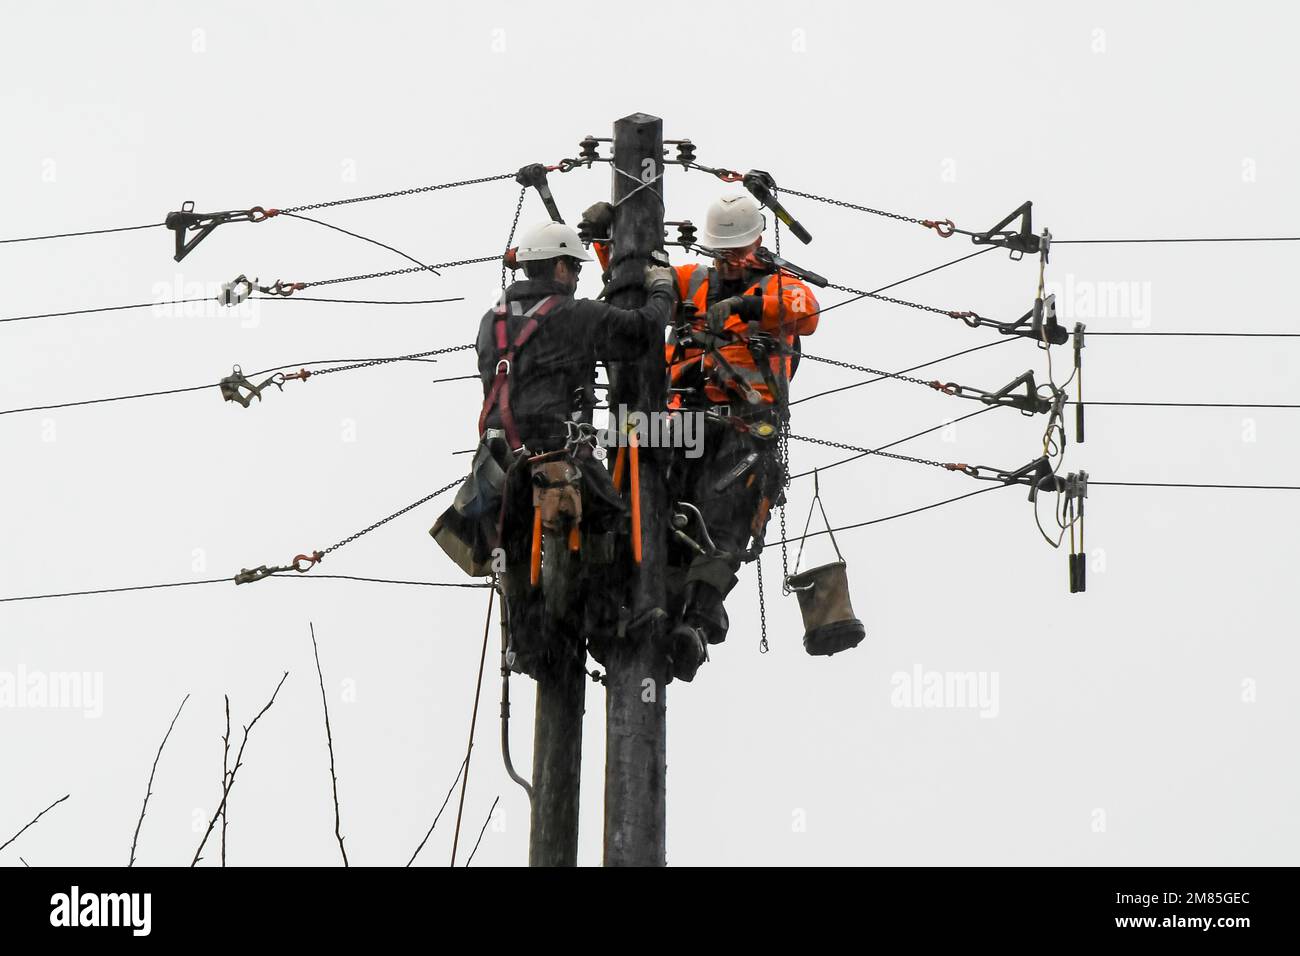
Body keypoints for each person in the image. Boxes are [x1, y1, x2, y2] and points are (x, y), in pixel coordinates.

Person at [431, 220, 676, 679]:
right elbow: (642, 331)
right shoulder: (572, 315)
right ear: (561, 266)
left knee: (517, 551)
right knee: (609, 520)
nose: (577, 277)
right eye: (575, 269)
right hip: (557, 451)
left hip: (500, 463)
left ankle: (531, 648)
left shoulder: (492, 322)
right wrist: (661, 288)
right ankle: (607, 625)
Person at [661, 192, 821, 681]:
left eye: (737, 252)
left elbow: (808, 312)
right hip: (677, 419)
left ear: (756, 242)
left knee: (727, 521)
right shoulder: (690, 280)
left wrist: (744, 305)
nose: (729, 261)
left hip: (746, 423)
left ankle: (695, 620)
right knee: (654, 514)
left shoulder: (783, 286)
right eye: (722, 252)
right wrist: (611, 246)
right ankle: (661, 611)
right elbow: (637, 291)